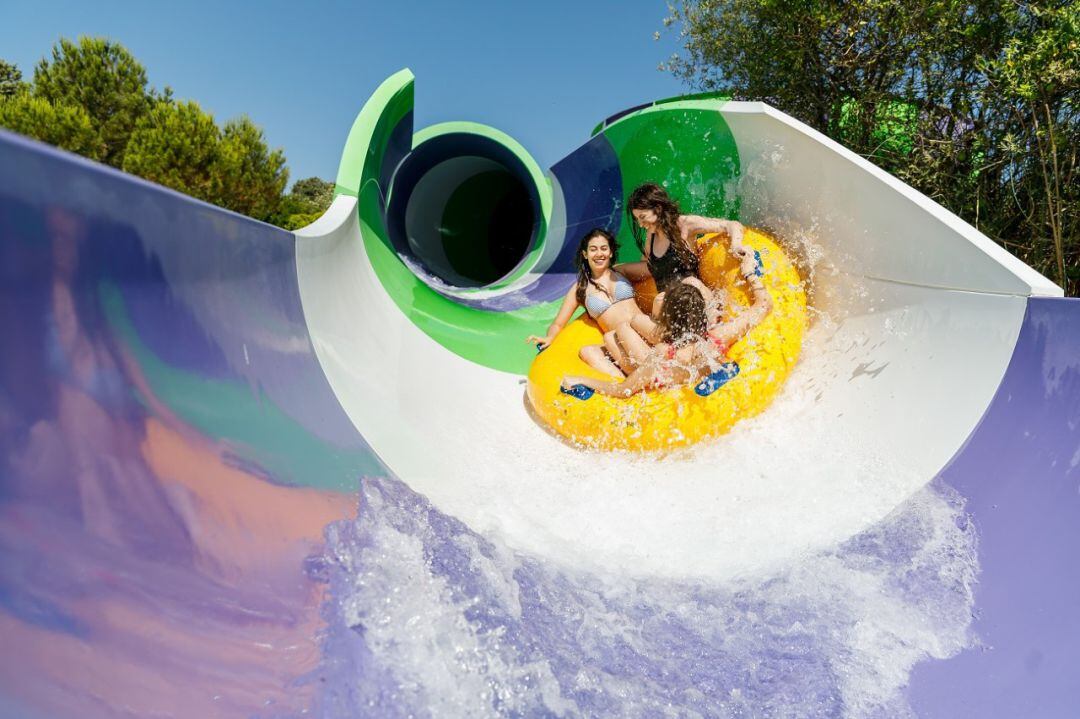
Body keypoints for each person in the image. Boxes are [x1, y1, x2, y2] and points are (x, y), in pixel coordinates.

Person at [560, 247, 772, 399]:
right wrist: (750, 273)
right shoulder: (717, 336)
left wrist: (582, 380)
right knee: (623, 329)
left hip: (655, 377)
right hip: (688, 367)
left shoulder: (661, 356)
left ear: (668, 319)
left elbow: (623, 391)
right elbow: (764, 305)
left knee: (613, 334)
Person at [615, 182, 751, 342]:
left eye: (642, 217)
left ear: (657, 208)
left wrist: (736, 245)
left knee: (689, 282)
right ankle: (675, 346)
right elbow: (650, 267)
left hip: (693, 302)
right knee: (637, 319)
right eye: (638, 219)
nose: (640, 224)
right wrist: (619, 271)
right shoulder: (650, 239)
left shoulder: (685, 224)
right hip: (668, 311)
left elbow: (731, 225)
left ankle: (710, 334)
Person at [526, 228, 653, 377]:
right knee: (588, 351)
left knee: (625, 329)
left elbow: (651, 268)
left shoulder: (621, 271)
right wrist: (550, 337)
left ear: (611, 253)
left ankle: (648, 372)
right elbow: (558, 324)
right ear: (585, 254)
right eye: (593, 249)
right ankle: (622, 383)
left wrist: (651, 233)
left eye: (604, 249)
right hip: (622, 346)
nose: (599, 254)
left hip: (643, 333)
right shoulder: (580, 289)